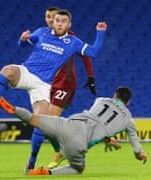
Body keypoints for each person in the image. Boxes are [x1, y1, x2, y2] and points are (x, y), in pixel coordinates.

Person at [0, 86, 147, 175]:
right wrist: (141, 155)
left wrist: (106, 137)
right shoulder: (128, 120)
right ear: (128, 102)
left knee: (33, 119)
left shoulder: (101, 100)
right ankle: (45, 173)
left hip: (67, 123)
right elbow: (136, 149)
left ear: (114, 95)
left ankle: (12, 109)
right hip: (79, 142)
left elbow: (94, 119)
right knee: (78, 169)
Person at [25, 6, 98, 171]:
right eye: (47, 17)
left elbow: (86, 55)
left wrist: (91, 76)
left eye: (53, 17)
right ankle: (62, 148)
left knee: (46, 121)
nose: (50, 20)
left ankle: (58, 151)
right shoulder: (44, 35)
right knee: (45, 123)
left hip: (65, 83)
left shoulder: (70, 38)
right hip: (46, 83)